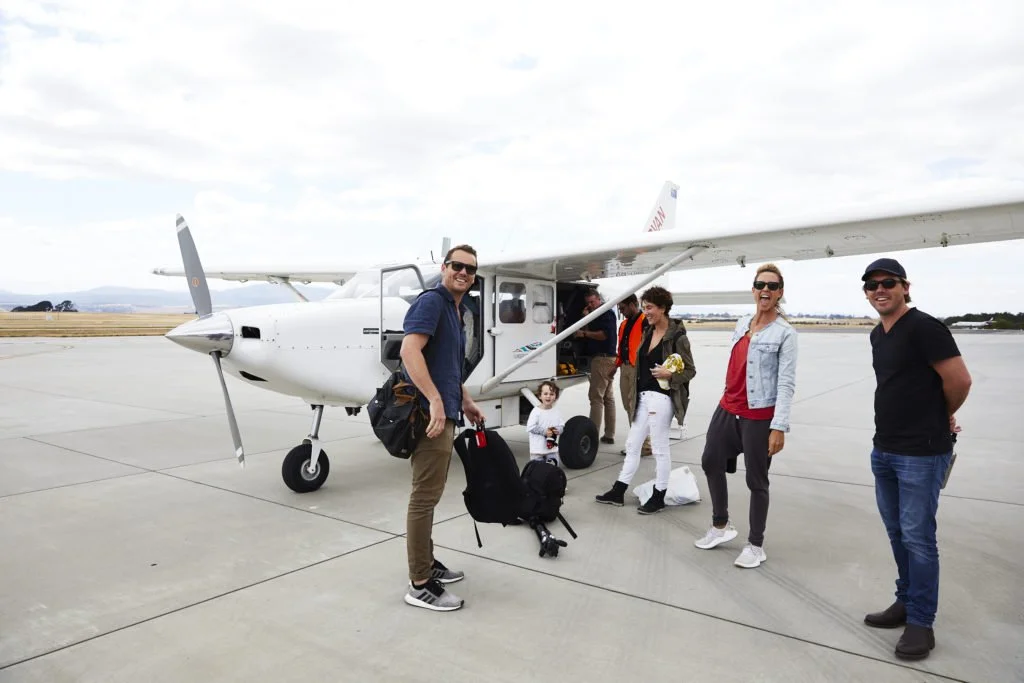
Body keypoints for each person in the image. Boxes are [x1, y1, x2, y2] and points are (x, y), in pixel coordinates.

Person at [859, 257, 971, 661]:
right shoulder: (878, 334)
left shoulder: (925, 328)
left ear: (906, 287)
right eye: (871, 285)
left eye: (888, 283)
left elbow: (959, 380)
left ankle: (922, 622)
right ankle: (905, 602)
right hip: (884, 448)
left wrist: (941, 415)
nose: (879, 290)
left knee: (919, 537)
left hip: (922, 453)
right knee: (897, 532)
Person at [399, 244, 486, 612]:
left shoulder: (455, 308)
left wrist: (463, 400)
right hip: (429, 415)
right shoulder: (432, 302)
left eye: (471, 269)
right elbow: (409, 351)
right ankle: (420, 583)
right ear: (444, 266)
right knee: (424, 498)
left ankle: (428, 563)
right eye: (457, 266)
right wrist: (435, 399)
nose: (464, 273)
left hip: (447, 410)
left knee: (431, 496)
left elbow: (447, 364)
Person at [694, 263, 797, 569]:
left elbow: (787, 382)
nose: (765, 290)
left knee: (757, 480)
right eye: (760, 284)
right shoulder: (741, 323)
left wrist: (778, 426)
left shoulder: (785, 333)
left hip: (759, 415)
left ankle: (755, 544)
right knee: (710, 460)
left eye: (772, 286)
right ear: (753, 290)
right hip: (728, 408)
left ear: (780, 293)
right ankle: (721, 525)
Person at [595, 286, 696, 513]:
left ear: (663, 308)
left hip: (662, 398)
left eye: (649, 307)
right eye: (644, 307)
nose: (646, 312)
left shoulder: (678, 337)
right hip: (642, 397)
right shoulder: (648, 332)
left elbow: (690, 370)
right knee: (632, 445)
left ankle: (659, 495)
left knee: (660, 448)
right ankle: (618, 491)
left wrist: (670, 374)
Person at [575, 289, 618, 445]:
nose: (590, 305)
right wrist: (586, 319)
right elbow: (591, 331)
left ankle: (592, 435)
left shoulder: (604, 314)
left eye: (592, 302)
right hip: (609, 359)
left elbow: (602, 335)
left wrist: (585, 334)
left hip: (602, 359)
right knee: (607, 398)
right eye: (588, 303)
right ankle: (609, 434)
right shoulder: (598, 314)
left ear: (599, 299)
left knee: (596, 398)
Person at [615, 294, 652, 457]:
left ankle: (643, 445)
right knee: (628, 405)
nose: (621, 312)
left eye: (623, 308)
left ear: (632, 304)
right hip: (625, 366)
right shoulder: (623, 324)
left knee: (634, 406)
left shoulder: (645, 321)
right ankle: (640, 443)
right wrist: (616, 365)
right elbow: (622, 346)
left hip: (637, 368)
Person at [526, 380, 566, 465]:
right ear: (540, 396)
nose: (548, 396)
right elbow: (530, 427)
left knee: (553, 472)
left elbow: (562, 426)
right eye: (545, 394)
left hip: (552, 450)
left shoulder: (557, 412)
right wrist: (544, 432)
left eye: (551, 394)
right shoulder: (536, 411)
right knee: (537, 474)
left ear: (555, 397)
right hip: (537, 451)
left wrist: (557, 430)